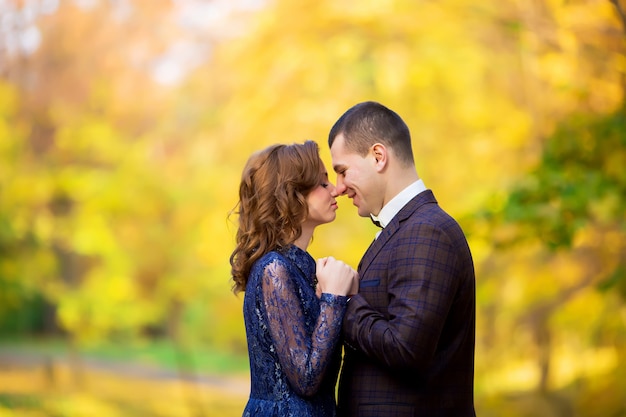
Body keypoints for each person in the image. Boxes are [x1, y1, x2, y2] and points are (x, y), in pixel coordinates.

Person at [328, 101, 476, 416]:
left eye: (342, 171)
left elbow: (406, 350)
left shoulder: (427, 232)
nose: (339, 188)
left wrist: (342, 299)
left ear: (378, 157)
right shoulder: (403, 230)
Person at [230, 140, 359, 417]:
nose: (336, 189)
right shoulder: (273, 269)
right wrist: (334, 299)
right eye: (323, 184)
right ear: (292, 194)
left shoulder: (299, 268)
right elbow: (306, 378)